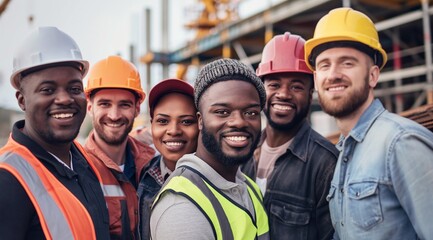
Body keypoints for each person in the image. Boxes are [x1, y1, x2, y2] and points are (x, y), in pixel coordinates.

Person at [305, 7, 433, 239]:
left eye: (347, 63)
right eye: (324, 65)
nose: (333, 74)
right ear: (316, 79)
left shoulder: (401, 143)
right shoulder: (343, 151)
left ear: (373, 75)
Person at [0, 27, 110, 239]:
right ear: (22, 100)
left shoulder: (85, 161)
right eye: (48, 90)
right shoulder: (8, 179)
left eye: (74, 89)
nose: (64, 99)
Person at [150, 58, 270, 240]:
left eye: (251, 112)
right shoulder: (182, 208)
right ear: (200, 120)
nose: (238, 121)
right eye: (222, 112)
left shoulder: (249, 188)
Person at [241, 32, 338, 240]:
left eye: (296, 86)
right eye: (274, 84)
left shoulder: (325, 163)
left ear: (311, 93)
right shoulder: (243, 149)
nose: (284, 94)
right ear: (261, 91)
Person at [83, 55, 155, 239]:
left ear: (137, 109)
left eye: (124, 105)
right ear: (90, 107)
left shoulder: (152, 164)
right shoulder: (78, 170)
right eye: (105, 104)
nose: (114, 115)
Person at [137, 78, 199, 239]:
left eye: (186, 121)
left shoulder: (216, 179)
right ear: (152, 125)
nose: (173, 130)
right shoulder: (145, 173)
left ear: (200, 124)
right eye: (163, 121)